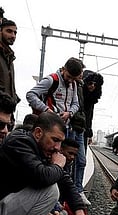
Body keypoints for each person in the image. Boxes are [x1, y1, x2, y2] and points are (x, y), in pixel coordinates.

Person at [26, 57, 91, 206]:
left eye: (74, 78)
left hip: (64, 127)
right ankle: (49, 197)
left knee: (63, 162)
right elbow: (31, 95)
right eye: (68, 77)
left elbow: (76, 104)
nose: (70, 81)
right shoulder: (51, 80)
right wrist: (47, 110)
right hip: (50, 128)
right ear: (63, 69)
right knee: (50, 160)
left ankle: (60, 197)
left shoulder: (74, 84)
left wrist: (70, 113)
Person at [0, 17, 20, 126]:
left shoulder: (9, 57)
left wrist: (14, 98)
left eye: (15, 33)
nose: (13, 36)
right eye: (9, 31)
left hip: (7, 113)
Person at [82, 70, 103, 150]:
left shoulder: (92, 99)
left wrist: (89, 132)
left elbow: (90, 116)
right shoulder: (79, 94)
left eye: (95, 84)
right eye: (90, 83)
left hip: (83, 129)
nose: (93, 86)